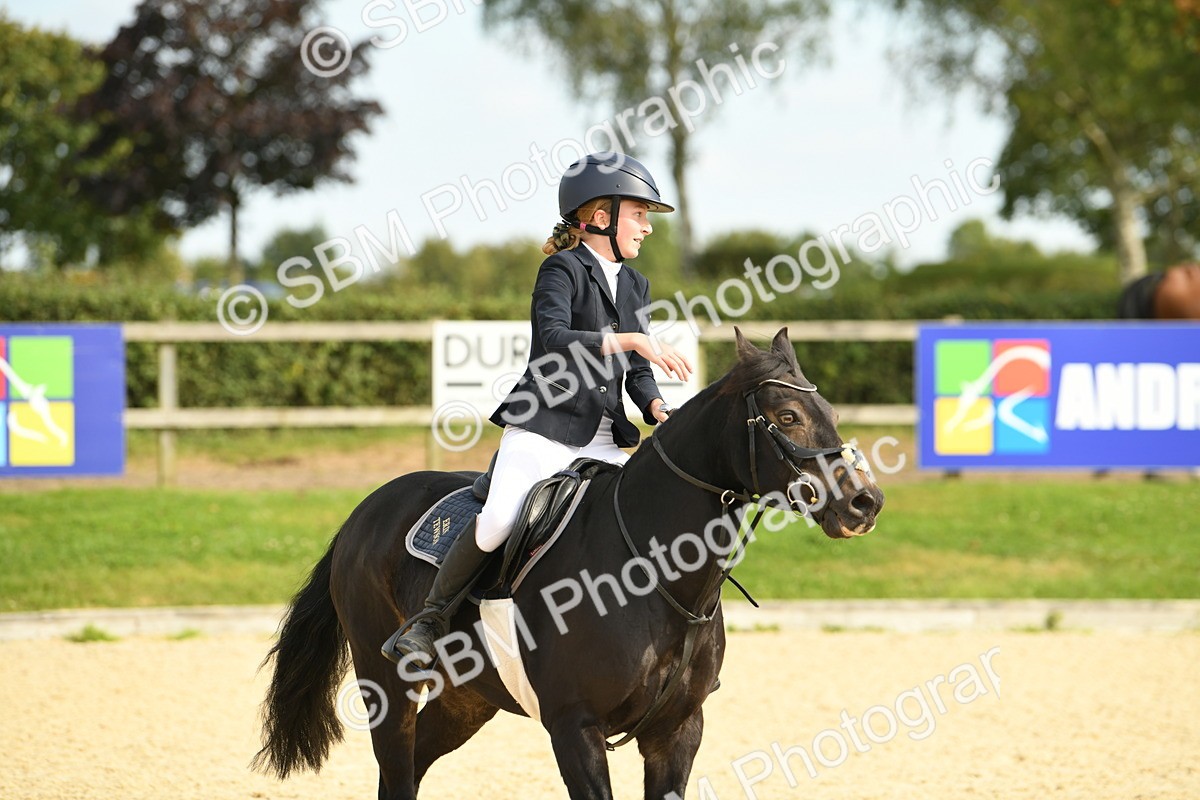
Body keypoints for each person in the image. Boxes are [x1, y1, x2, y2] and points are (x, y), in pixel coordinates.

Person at [383, 152, 693, 666]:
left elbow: (637, 373)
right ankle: (430, 619)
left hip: (604, 438)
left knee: (645, 524)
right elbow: (551, 338)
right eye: (639, 214)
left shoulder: (636, 285)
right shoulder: (561, 269)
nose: (647, 228)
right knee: (497, 521)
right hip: (545, 426)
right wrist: (632, 338)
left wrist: (657, 404)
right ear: (600, 216)